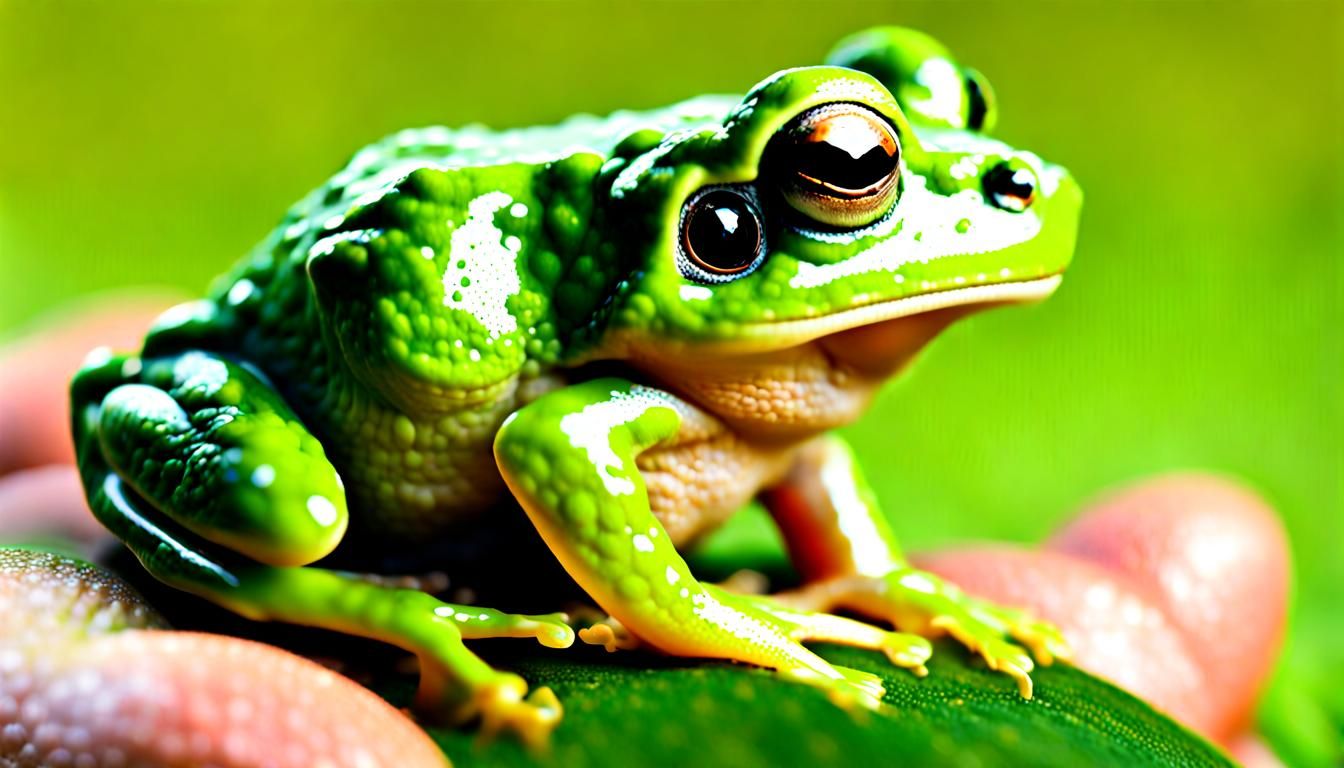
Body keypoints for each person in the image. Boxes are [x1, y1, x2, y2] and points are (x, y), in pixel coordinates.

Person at [0, 295, 1287, 766]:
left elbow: (800, 443)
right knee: (295, 511)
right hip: (276, 395)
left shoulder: (743, 389)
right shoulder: (619, 366)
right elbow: (551, 443)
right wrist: (714, 615)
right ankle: (319, 594)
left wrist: (863, 576)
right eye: (853, 174)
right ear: (718, 233)